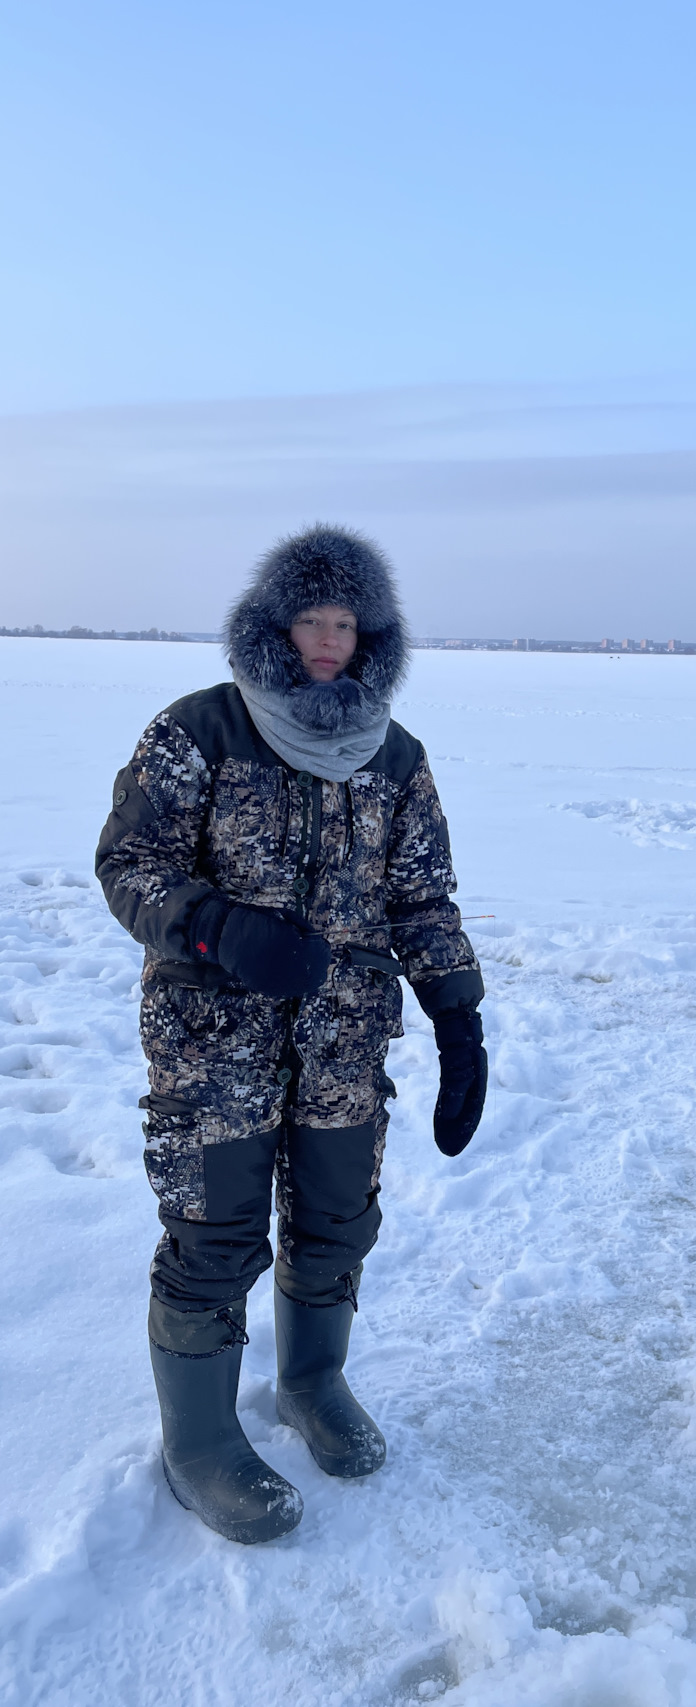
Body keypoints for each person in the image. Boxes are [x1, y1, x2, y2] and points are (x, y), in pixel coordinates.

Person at [96, 525, 486, 1544]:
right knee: (213, 1242)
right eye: (310, 619)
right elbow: (128, 865)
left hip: (345, 1046)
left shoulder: (397, 758)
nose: (327, 640)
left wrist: (459, 1013)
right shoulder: (201, 731)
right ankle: (199, 1444)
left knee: (334, 1227)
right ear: (277, 625)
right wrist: (220, 927)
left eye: (344, 622)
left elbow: (423, 898)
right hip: (211, 1043)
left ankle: (313, 1384)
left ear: (370, 635)